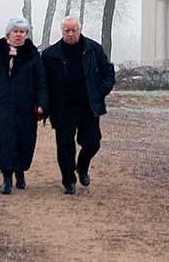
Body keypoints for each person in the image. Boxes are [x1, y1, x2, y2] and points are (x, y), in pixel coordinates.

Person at [41, 17, 115, 194]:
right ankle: (69, 181)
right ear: (62, 31)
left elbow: (108, 71)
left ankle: (82, 166)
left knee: (93, 143)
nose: (71, 34)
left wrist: (101, 90)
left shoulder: (93, 49)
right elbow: (42, 82)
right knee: (65, 145)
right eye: (67, 30)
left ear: (80, 30)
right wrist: (43, 105)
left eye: (74, 30)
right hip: (62, 108)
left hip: (88, 106)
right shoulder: (50, 54)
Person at [0, 16, 47, 195]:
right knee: (4, 141)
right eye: (15, 32)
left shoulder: (33, 54)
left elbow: (41, 80)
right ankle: (6, 178)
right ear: (8, 33)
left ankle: (20, 172)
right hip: (1, 104)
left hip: (26, 106)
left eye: (22, 32)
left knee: (24, 141)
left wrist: (42, 103)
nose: (19, 35)